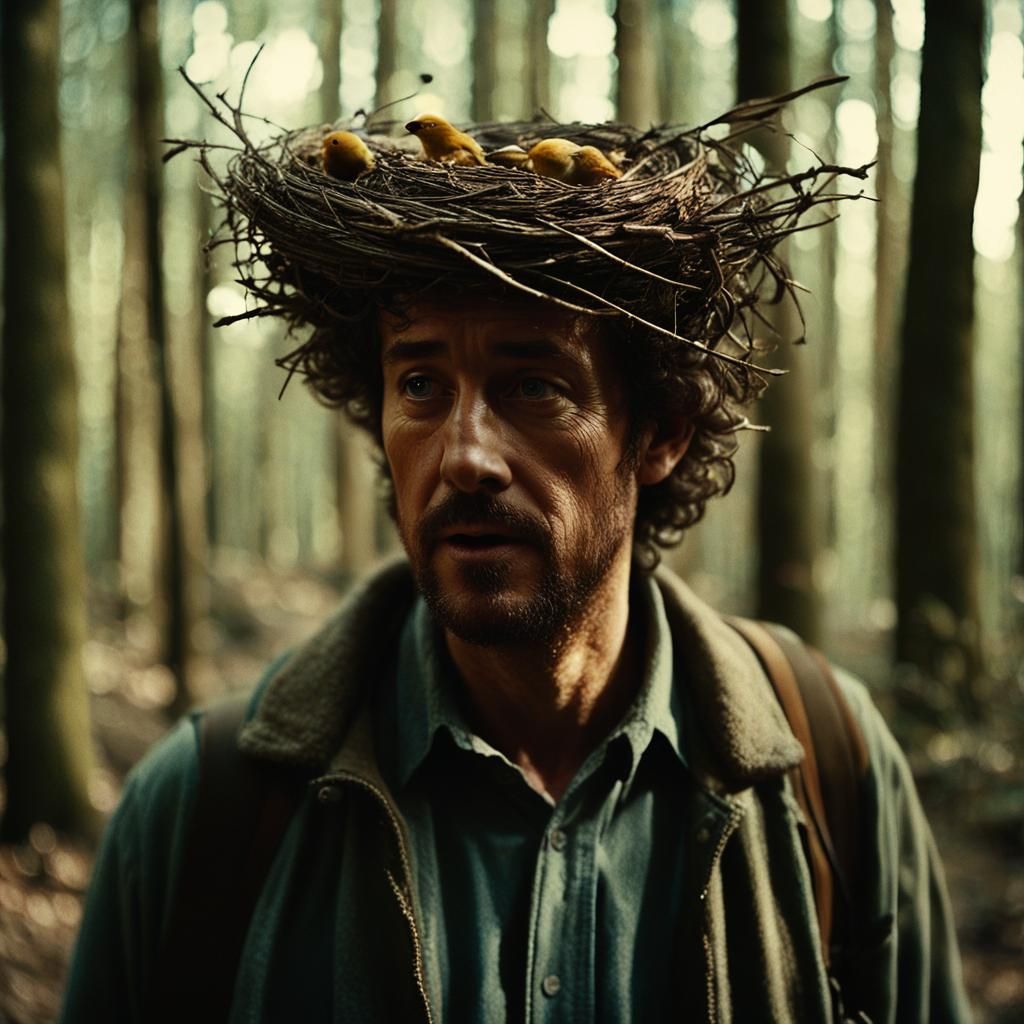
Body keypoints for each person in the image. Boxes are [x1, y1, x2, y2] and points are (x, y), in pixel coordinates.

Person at [61, 100, 970, 1023]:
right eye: (420, 384)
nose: (464, 456)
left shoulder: (832, 772)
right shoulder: (203, 813)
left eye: (533, 386)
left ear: (657, 434)